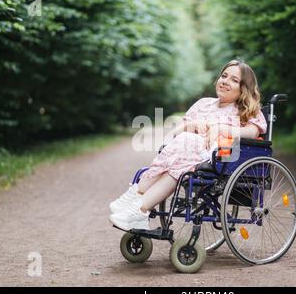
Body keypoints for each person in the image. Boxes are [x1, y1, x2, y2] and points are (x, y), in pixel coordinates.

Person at [109, 59, 267, 231]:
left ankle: (136, 198)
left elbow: (253, 132)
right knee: (177, 163)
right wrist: (192, 125)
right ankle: (139, 209)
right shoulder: (203, 103)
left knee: (183, 148)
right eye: (224, 76)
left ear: (243, 89)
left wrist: (221, 129)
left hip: (219, 157)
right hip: (185, 154)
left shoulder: (244, 110)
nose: (225, 81)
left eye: (234, 80)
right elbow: (176, 132)